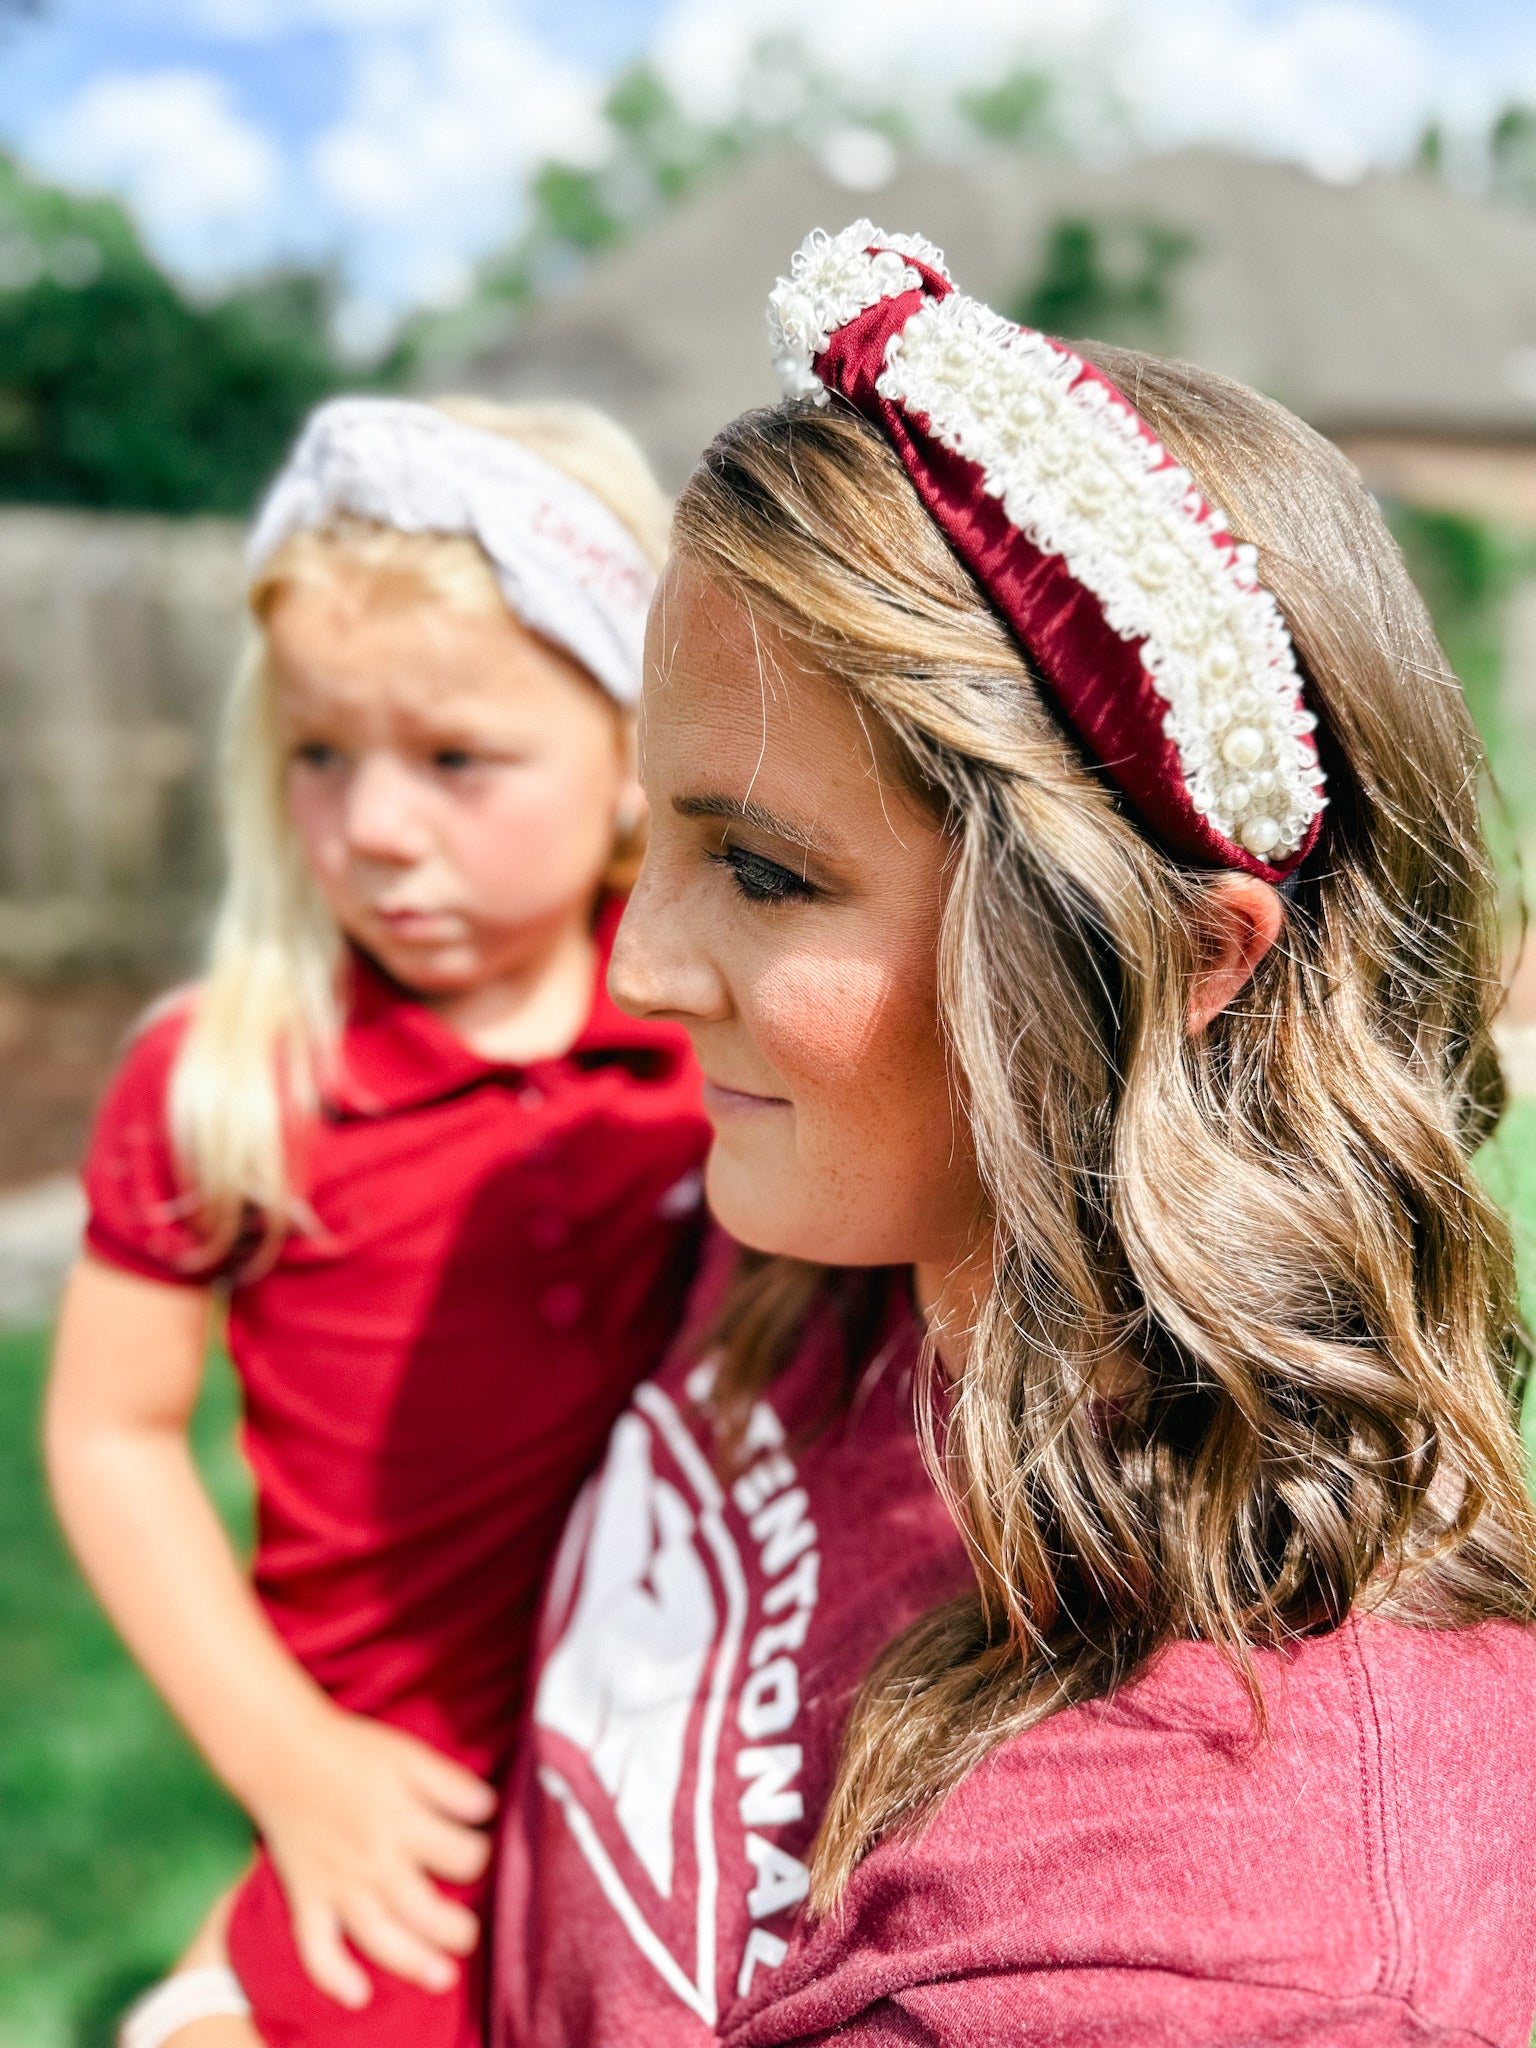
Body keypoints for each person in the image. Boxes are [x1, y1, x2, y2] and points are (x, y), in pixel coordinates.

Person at [490, 224, 1536, 2046]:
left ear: (1175, 960)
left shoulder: (1200, 1941)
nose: (637, 968)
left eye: (762, 871)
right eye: (651, 836)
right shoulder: (837, 1227)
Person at [43, 397, 709, 2048]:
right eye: (319, 756)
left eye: (456, 760)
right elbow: (112, 1433)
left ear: (634, 758)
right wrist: (287, 1760)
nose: (376, 829)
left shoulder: (716, 1033)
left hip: (691, 1755)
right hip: (409, 1801)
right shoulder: (227, 1077)